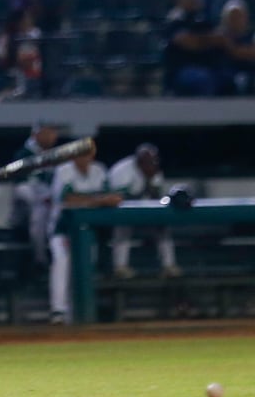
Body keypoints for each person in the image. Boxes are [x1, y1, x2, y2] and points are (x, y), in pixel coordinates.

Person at [47, 143, 122, 325]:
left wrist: (92, 200)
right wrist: (98, 200)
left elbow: (114, 197)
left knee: (87, 268)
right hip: (62, 229)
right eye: (80, 153)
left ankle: (77, 312)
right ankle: (58, 311)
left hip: (88, 231)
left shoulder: (99, 170)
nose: (84, 157)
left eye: (88, 154)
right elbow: (68, 199)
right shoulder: (63, 171)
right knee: (62, 263)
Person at [108, 144, 180, 279]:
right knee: (123, 226)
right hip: (117, 211)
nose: (153, 165)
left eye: (154, 161)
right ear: (139, 161)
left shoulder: (155, 171)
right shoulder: (121, 171)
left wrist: (150, 182)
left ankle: (169, 266)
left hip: (143, 209)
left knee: (162, 226)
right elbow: (116, 199)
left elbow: (157, 197)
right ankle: (120, 267)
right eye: (149, 162)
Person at [10, 120, 61, 265]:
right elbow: (20, 186)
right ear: (36, 134)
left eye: (54, 133)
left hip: (47, 205)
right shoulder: (23, 153)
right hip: (24, 211)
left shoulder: (54, 154)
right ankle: (40, 260)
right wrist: (44, 197)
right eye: (48, 133)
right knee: (39, 211)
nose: (53, 136)